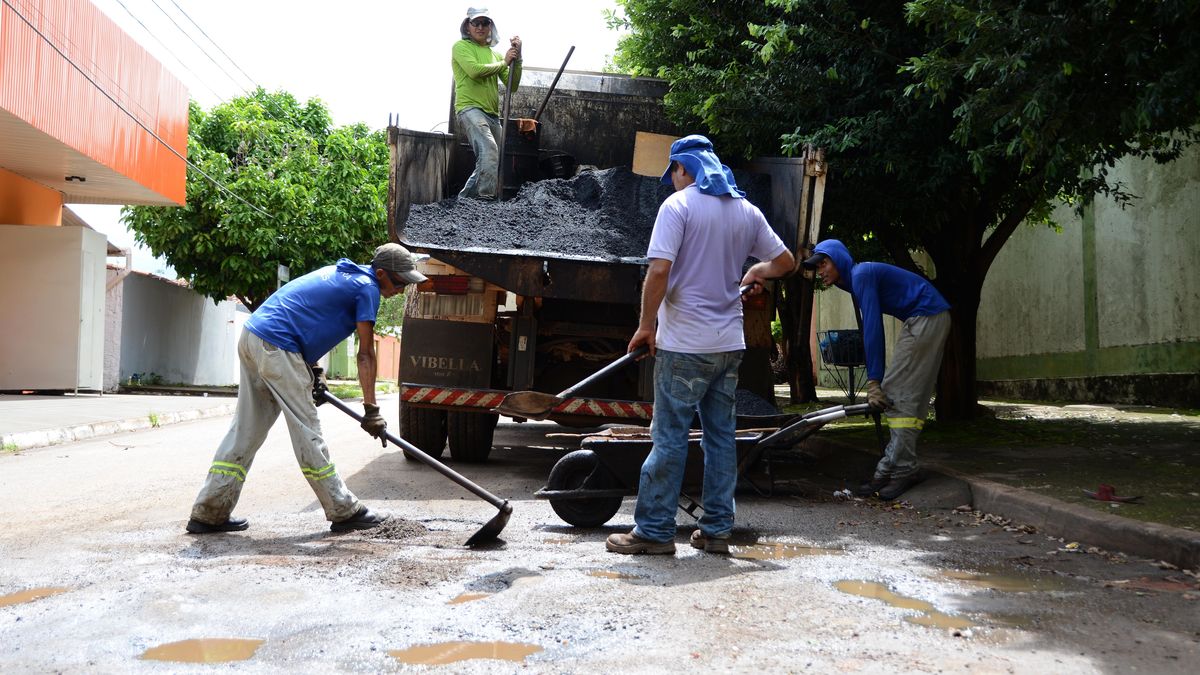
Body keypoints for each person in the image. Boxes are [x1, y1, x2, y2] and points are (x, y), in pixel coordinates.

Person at [606, 135, 794, 556]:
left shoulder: (679, 207)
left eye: (673, 172)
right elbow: (785, 263)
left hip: (684, 345)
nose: (672, 180)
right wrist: (755, 270)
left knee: (670, 437)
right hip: (728, 346)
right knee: (721, 438)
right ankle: (716, 531)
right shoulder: (746, 210)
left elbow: (658, 272)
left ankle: (654, 532)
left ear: (683, 169)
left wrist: (645, 326)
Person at [185, 243, 429, 534]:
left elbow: (304, 318)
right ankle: (343, 509)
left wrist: (312, 369)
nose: (401, 290)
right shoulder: (368, 288)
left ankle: (208, 512)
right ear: (381, 273)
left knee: (245, 431)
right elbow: (365, 354)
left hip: (254, 336)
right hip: (277, 345)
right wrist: (371, 410)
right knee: (307, 430)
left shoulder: (342, 273)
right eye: (400, 282)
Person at [802, 239, 951, 501]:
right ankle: (891, 467)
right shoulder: (859, 278)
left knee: (895, 395)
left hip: (925, 316)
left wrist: (874, 381)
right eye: (818, 266)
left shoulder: (861, 275)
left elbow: (872, 328)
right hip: (927, 316)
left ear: (839, 259)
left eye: (824, 263)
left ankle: (902, 469)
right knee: (903, 397)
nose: (820, 271)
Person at [452, 7, 522, 200]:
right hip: (469, 108)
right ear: (468, 26)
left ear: (491, 27)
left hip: (491, 114)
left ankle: (464, 201)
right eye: (476, 23)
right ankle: (485, 201)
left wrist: (518, 57)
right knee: (490, 149)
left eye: (485, 23)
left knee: (490, 159)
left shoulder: (496, 55)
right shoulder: (461, 47)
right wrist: (504, 63)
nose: (481, 27)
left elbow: (512, 85)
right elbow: (474, 70)